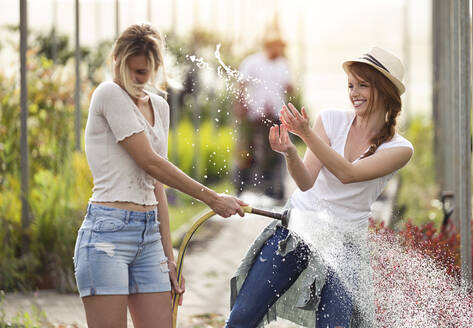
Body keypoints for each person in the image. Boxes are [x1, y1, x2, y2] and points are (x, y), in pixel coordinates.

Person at [73, 23, 246, 328]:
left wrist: (169, 256)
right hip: (107, 235)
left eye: (147, 72)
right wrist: (213, 199)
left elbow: (157, 184)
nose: (140, 80)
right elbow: (150, 162)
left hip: (148, 237)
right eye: (135, 71)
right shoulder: (109, 93)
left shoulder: (159, 106)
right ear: (116, 59)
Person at [226, 47, 414, 328]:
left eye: (363, 85)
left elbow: (348, 174)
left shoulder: (400, 148)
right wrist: (290, 151)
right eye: (351, 85)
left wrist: (306, 134)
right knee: (241, 317)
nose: (354, 93)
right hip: (298, 230)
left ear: (385, 91)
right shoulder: (330, 120)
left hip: (345, 245)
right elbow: (305, 181)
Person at [234, 18, 293, 201]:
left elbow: (288, 87)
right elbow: (241, 84)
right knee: (248, 151)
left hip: (276, 116)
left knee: (276, 153)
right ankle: (242, 189)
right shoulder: (252, 62)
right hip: (254, 116)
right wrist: (241, 104)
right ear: (269, 45)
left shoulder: (283, 64)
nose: (280, 50)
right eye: (277, 46)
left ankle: (274, 191)